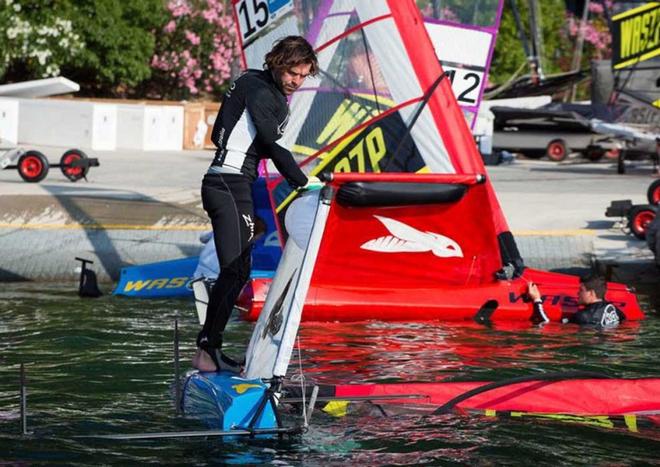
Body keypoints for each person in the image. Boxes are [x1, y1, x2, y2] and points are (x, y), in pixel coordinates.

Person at [193, 36, 320, 372]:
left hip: (229, 182)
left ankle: (209, 347)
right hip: (228, 185)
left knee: (238, 270)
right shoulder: (264, 93)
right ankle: (207, 350)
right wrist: (304, 182)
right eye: (292, 72)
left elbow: (221, 134)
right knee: (235, 269)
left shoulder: (249, 81)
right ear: (278, 63)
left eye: (303, 75)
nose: (297, 81)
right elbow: (272, 145)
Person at [528, 274, 626, 328]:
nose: (577, 293)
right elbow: (624, 320)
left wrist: (537, 299)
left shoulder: (583, 316)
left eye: (581, 290)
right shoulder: (614, 310)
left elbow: (546, 324)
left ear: (591, 293)